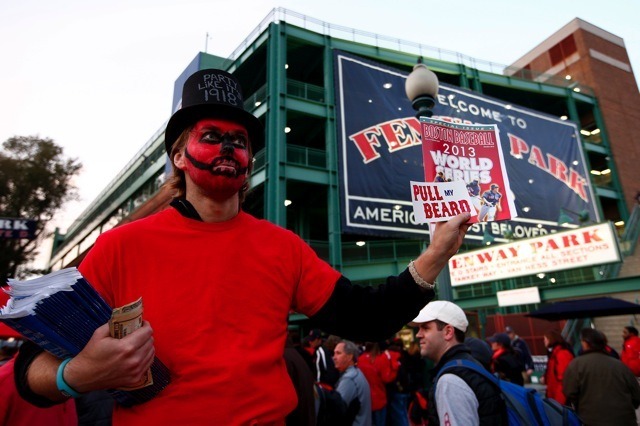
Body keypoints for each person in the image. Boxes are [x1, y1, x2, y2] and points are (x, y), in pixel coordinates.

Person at [13, 68, 471, 424]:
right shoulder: (119, 246)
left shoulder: (282, 248)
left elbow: (366, 317)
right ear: (178, 156)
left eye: (240, 140)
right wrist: (77, 375)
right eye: (211, 137)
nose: (229, 146)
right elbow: (32, 365)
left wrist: (437, 254)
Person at [414, 301, 506, 425]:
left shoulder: (450, 380)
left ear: (448, 332)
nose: (418, 334)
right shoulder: (468, 365)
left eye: (425, 328)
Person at [563, 327, 640, 425]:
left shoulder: (576, 365)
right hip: (624, 420)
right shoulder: (620, 366)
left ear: (585, 343)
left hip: (592, 420)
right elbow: (636, 395)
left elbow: (569, 392)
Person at [333, 340, 372, 426]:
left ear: (350, 357)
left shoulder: (349, 378)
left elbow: (335, 409)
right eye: (334, 353)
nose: (334, 357)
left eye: (338, 353)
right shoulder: (355, 373)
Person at [358, 342, 399, 425]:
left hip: (366, 398)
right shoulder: (380, 359)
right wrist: (395, 368)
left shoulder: (360, 359)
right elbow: (387, 378)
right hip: (379, 398)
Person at [540, 330, 573, 405]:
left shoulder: (561, 354)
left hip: (559, 397)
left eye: (545, 339)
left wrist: (559, 401)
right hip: (554, 395)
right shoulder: (554, 353)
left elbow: (563, 379)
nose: (544, 341)